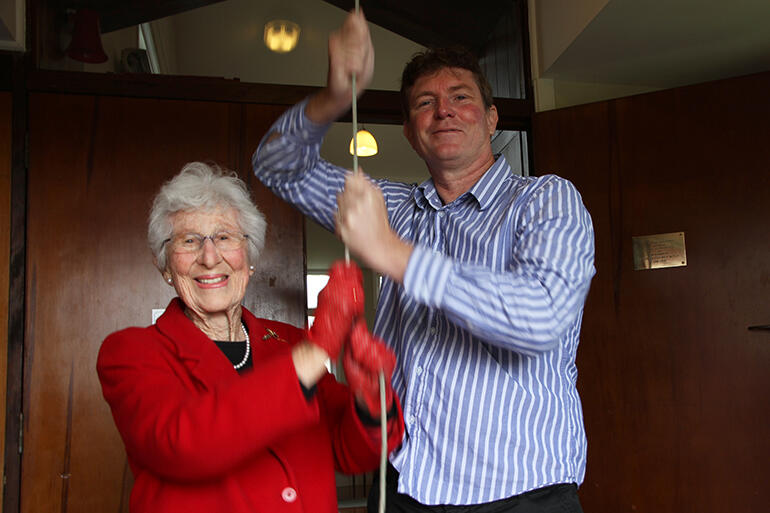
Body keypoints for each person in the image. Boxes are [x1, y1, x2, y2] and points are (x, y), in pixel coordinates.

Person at [253, 10, 596, 513]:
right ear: (412, 134)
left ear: (492, 118)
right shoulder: (389, 206)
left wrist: (394, 255)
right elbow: (275, 166)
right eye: (425, 103)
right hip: (404, 486)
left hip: (525, 493)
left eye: (461, 97)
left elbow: (539, 318)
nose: (445, 111)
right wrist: (332, 99)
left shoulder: (546, 200)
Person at [96, 162, 404, 513]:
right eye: (189, 240)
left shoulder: (289, 343)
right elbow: (182, 445)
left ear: (249, 257)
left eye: (225, 237)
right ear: (165, 266)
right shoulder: (131, 352)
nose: (210, 257)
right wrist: (318, 349)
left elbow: (353, 453)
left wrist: (369, 396)